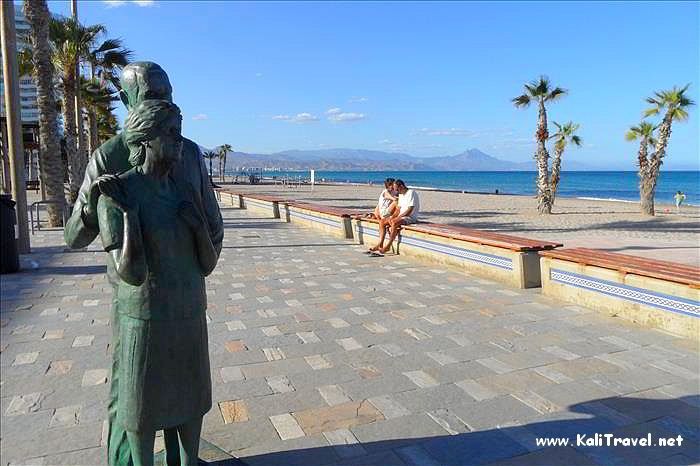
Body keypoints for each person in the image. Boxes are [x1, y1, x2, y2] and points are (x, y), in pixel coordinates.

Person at [63, 62, 223, 466]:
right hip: (137, 301)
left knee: (185, 389)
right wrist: (96, 204)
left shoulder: (188, 152)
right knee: (136, 394)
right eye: (153, 97)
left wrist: (200, 244)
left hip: (186, 295)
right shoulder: (109, 157)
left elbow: (212, 222)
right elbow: (73, 238)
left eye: (167, 95)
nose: (164, 104)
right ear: (127, 101)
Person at [96, 99, 216, 466]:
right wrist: (131, 217)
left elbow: (207, 264)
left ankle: (188, 462)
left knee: (191, 399)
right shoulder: (118, 193)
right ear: (146, 139)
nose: (180, 142)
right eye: (172, 133)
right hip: (145, 319)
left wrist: (198, 227)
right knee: (141, 408)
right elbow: (130, 274)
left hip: (188, 310)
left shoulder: (184, 191)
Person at [371, 179, 419, 256]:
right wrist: (393, 217)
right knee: (382, 222)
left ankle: (388, 246)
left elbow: (410, 210)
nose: (396, 191)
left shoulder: (411, 193)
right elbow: (398, 209)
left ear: (402, 186)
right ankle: (380, 243)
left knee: (394, 222)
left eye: (397, 189)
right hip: (401, 216)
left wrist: (397, 218)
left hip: (409, 217)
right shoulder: (401, 194)